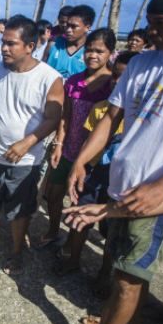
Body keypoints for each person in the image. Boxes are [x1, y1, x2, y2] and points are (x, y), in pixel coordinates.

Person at [65, 0, 163, 324]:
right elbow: (111, 117)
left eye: (161, 22)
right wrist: (82, 160)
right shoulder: (142, 63)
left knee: (130, 279)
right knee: (121, 272)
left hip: (156, 196)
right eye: (150, 22)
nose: (151, 30)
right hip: (122, 182)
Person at [0, 16, 64, 274]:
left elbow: (53, 118)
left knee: (19, 208)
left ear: (30, 46)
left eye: (11, 44)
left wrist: (27, 142)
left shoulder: (50, 78)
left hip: (25, 158)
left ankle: (16, 251)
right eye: (4, 42)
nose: (4, 48)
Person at [55, 51, 139, 284]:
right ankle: (72, 259)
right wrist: (79, 165)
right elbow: (89, 139)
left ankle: (104, 274)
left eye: (124, 77)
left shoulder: (141, 117)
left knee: (111, 228)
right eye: (115, 76)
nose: (118, 82)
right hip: (93, 172)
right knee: (80, 215)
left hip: (119, 178)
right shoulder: (101, 108)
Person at [38, 28, 116, 253]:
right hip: (68, 149)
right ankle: (54, 231)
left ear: (110, 53)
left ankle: (73, 250)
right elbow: (66, 116)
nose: (92, 55)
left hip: (93, 157)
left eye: (99, 51)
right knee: (53, 195)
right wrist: (59, 144)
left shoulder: (112, 86)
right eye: (89, 50)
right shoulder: (73, 82)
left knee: (79, 204)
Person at [44, 5, 95, 80]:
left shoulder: (92, 52)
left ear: (87, 28)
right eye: (68, 25)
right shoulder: (53, 45)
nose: (68, 30)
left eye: (74, 26)